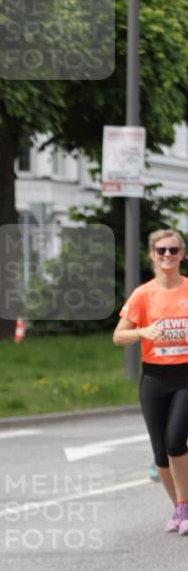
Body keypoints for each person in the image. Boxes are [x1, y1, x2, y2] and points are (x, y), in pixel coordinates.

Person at [114, 228, 188, 534]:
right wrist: (142, 332)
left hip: (185, 375)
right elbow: (118, 336)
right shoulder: (143, 294)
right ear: (152, 256)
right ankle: (179, 508)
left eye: (173, 250)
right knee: (160, 452)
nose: (167, 255)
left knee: (175, 441)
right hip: (155, 377)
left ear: (182, 254)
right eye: (161, 251)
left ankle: (184, 506)